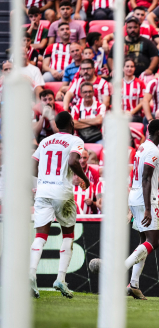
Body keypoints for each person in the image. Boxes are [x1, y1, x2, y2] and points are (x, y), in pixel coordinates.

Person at [29, 111, 91, 299]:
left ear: (56, 125)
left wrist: (45, 180)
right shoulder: (75, 140)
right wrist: (84, 178)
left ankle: (31, 275)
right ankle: (60, 279)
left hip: (43, 191)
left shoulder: (46, 141)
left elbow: (32, 164)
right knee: (68, 235)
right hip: (62, 193)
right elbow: (73, 160)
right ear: (72, 123)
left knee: (40, 235)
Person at [124, 119, 159, 300]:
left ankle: (134, 284)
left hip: (135, 195)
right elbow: (146, 178)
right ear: (158, 132)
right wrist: (149, 208)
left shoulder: (142, 147)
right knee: (154, 241)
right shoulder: (152, 150)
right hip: (145, 198)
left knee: (144, 241)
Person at [73, 149, 100, 215]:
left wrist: (92, 203)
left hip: (88, 216)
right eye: (80, 158)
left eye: (84, 158)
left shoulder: (94, 173)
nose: (82, 160)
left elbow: (99, 199)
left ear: (88, 158)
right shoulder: (68, 172)